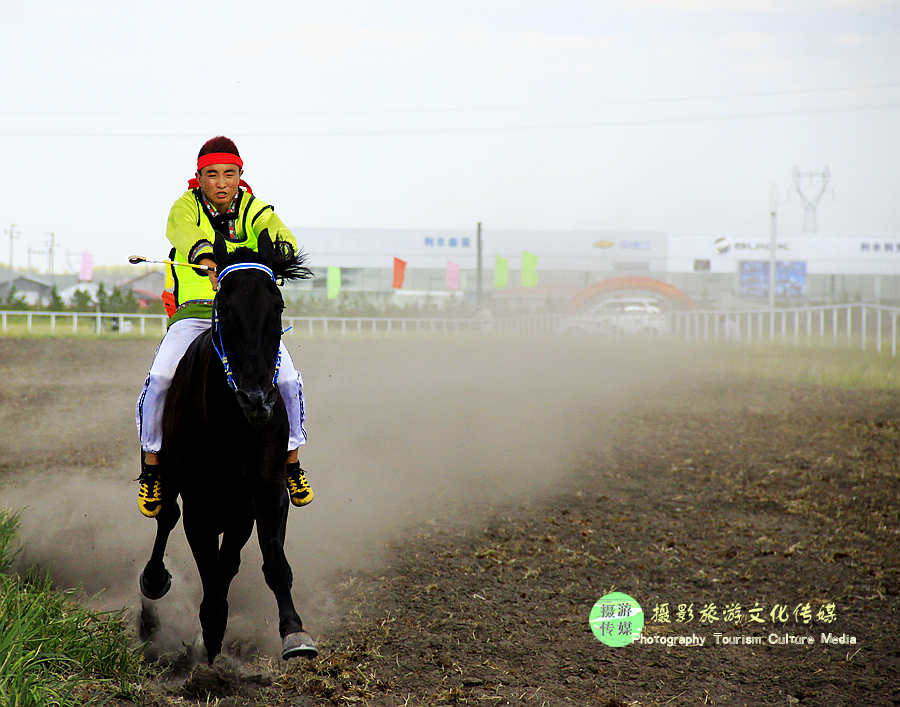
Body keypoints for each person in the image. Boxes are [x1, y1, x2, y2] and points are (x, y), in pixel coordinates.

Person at [135, 136, 313, 517]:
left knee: (288, 380)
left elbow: (282, 238)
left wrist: (270, 255)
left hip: (246, 319)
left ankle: (292, 462)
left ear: (239, 176)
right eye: (211, 174)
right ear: (199, 177)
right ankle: (152, 466)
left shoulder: (257, 209)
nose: (220, 182)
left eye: (228, 174)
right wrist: (204, 255)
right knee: (161, 378)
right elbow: (185, 233)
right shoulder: (185, 206)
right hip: (194, 314)